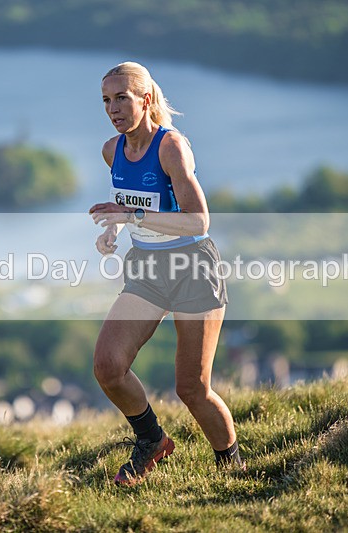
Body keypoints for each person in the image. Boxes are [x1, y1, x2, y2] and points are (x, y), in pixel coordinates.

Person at [88, 61, 243, 487]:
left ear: (146, 99)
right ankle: (151, 440)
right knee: (108, 365)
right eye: (106, 100)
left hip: (193, 267)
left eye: (122, 97)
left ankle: (232, 470)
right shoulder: (111, 150)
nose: (113, 108)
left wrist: (130, 214)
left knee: (191, 388)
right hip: (148, 268)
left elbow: (198, 222)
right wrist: (114, 230)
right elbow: (130, 200)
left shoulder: (170, 147)